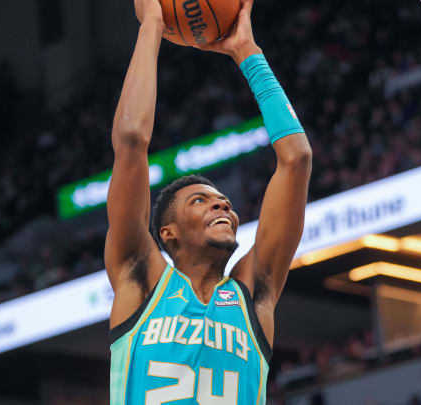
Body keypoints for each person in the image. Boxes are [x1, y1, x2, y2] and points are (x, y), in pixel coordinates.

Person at [104, 0, 312, 403]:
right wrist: (151, 23)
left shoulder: (253, 295)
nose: (224, 208)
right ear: (168, 232)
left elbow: (297, 158)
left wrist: (247, 53)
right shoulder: (140, 278)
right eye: (201, 201)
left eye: (224, 203)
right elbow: (130, 140)